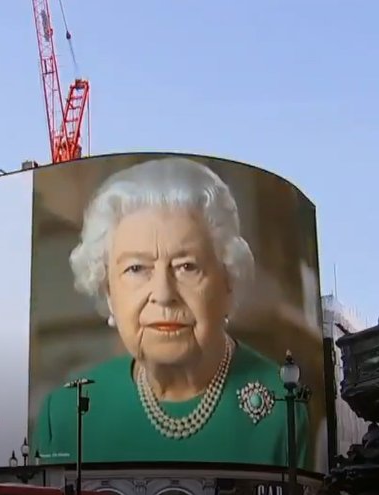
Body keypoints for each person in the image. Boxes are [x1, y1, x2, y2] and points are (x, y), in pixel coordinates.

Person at [34, 157, 310, 468]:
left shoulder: (283, 406)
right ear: (107, 290)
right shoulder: (66, 414)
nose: (164, 295)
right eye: (136, 268)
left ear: (228, 280)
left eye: (187, 267)